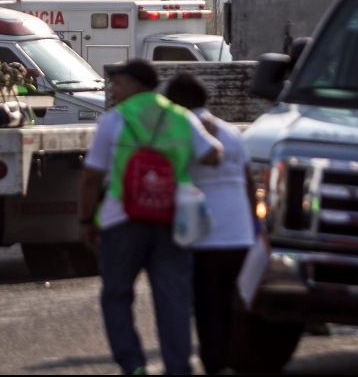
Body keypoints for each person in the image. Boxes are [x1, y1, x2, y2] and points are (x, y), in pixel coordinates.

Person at [79, 59, 222, 375]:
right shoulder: (181, 117)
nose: (113, 90)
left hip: (121, 221)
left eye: (118, 83)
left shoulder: (113, 121)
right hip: (172, 220)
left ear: (134, 84)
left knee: (116, 295)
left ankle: (133, 365)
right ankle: (177, 367)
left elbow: (91, 177)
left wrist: (86, 220)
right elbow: (213, 155)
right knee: (173, 301)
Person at [165, 72, 258, 375]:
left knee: (207, 305)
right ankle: (234, 360)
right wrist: (255, 227)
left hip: (206, 235)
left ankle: (217, 364)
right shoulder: (232, 132)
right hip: (240, 233)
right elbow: (247, 182)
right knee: (233, 303)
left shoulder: (180, 128)